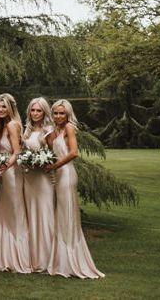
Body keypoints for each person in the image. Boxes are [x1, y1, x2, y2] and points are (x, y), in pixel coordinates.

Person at [46, 99, 104, 279]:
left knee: (67, 213)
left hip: (67, 174)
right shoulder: (54, 131)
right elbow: (50, 150)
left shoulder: (70, 128)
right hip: (57, 174)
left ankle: (71, 260)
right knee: (60, 214)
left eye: (61, 113)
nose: (58, 116)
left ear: (68, 114)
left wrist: (54, 167)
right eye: (55, 113)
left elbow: (73, 152)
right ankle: (60, 259)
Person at [0, 92, 31, 273]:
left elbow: (16, 152)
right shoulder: (1, 126)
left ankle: (19, 258)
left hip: (12, 173)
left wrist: (3, 168)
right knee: (6, 213)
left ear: (10, 108)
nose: (0, 109)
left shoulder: (12, 125)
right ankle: (7, 257)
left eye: (3, 106)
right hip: (6, 174)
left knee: (15, 213)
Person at [23, 96, 55, 273]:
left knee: (44, 215)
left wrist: (42, 163)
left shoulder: (49, 131)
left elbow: (54, 155)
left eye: (39, 110)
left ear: (44, 112)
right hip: (29, 179)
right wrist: (27, 161)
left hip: (43, 179)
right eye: (33, 110)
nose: (35, 113)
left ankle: (47, 259)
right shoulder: (27, 131)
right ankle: (33, 258)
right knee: (31, 216)